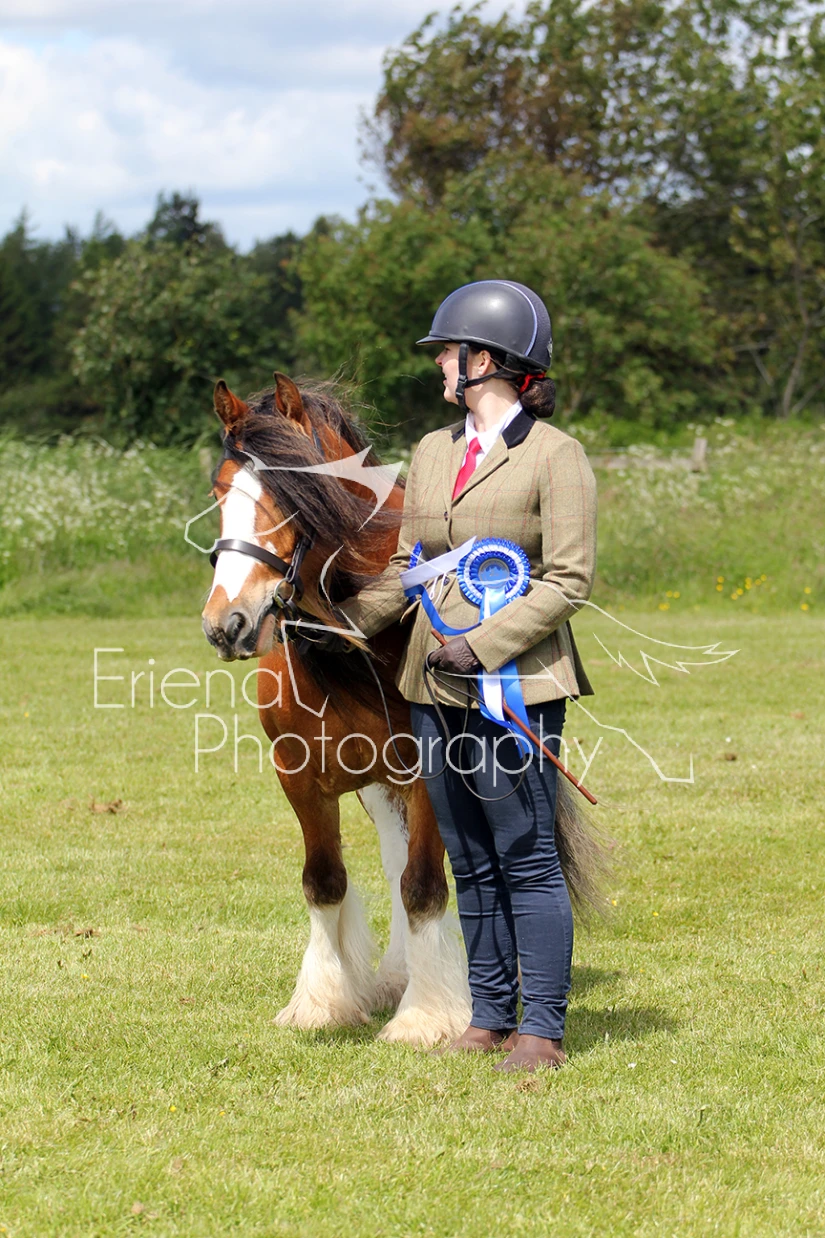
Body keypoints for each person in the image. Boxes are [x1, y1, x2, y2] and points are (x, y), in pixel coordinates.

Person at [340, 280, 597, 1072]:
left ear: (486, 360)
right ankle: (488, 1016)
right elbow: (412, 566)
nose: (438, 364)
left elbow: (568, 579)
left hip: (516, 684)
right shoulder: (431, 451)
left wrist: (482, 646)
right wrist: (343, 620)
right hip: (431, 683)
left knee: (525, 855)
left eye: (448, 352)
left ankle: (541, 1029)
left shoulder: (555, 456)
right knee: (468, 855)